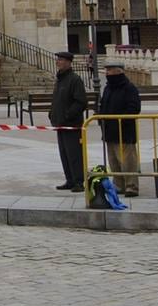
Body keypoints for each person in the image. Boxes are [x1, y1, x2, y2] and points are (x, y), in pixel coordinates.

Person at [97, 61, 141, 197]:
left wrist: (120, 121)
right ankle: (118, 184)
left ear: (118, 71)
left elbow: (134, 108)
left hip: (124, 131)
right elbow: (103, 104)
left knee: (128, 160)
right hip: (109, 131)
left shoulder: (129, 88)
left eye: (109, 70)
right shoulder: (108, 88)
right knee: (113, 160)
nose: (107, 73)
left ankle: (131, 186)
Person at [50, 51, 88, 192]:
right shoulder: (60, 80)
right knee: (64, 153)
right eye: (58, 59)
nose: (58, 62)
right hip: (60, 124)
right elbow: (57, 100)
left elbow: (81, 102)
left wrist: (67, 115)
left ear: (68, 62)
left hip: (71, 124)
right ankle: (70, 179)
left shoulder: (74, 79)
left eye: (60, 60)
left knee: (74, 154)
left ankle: (79, 181)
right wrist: (52, 114)